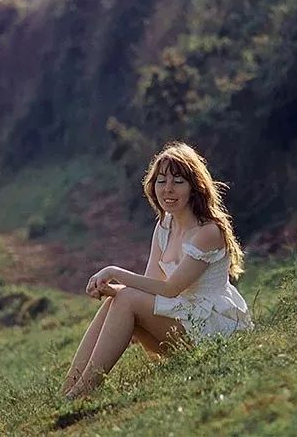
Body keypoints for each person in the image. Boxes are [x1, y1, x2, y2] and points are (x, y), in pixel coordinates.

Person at [61, 141, 253, 399]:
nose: (168, 189)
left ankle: (80, 394)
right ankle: (68, 390)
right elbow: (151, 285)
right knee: (117, 299)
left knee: (126, 297)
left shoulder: (208, 232)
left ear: (195, 187)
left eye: (178, 182)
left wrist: (114, 272)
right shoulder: (165, 225)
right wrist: (112, 289)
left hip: (212, 328)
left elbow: (170, 289)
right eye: (161, 181)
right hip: (180, 319)